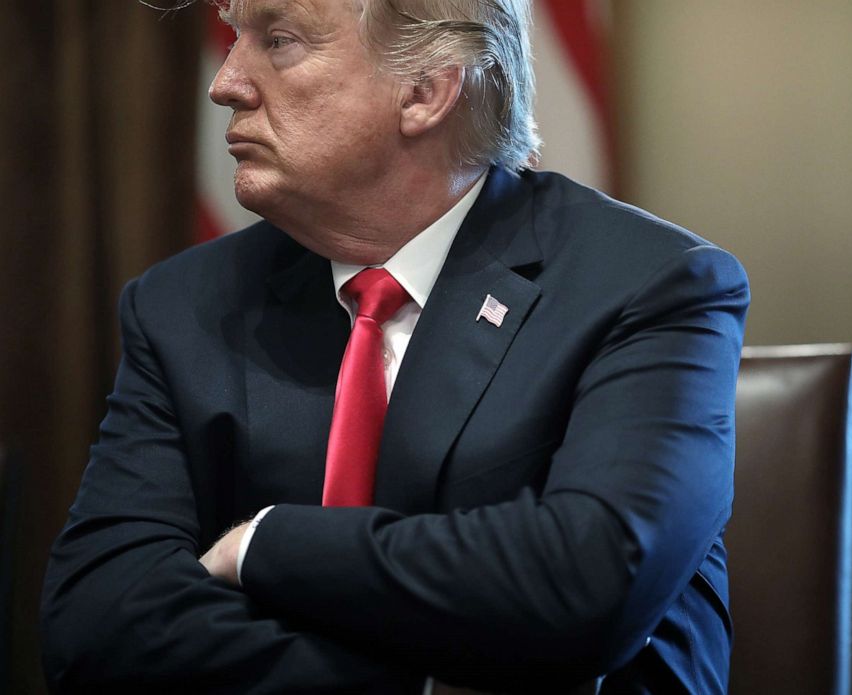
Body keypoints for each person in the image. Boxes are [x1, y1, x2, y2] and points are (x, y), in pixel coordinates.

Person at [40, 0, 749, 692]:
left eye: (279, 40)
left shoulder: (648, 285)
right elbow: (96, 622)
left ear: (425, 90)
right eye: (235, 37)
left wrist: (262, 545)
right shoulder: (184, 306)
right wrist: (430, 679)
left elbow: (589, 582)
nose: (226, 82)